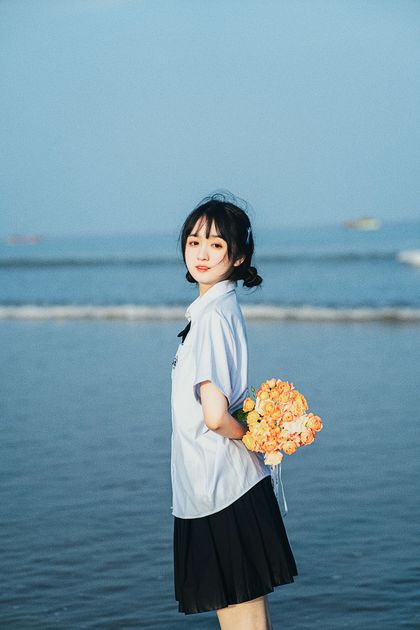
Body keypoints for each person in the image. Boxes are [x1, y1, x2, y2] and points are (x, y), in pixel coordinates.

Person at [171, 192, 298, 629]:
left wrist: (256, 438)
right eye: (194, 242)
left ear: (239, 256)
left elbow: (214, 415)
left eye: (216, 244)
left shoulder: (213, 316)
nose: (201, 254)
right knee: (247, 619)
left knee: (243, 621)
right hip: (214, 486)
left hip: (221, 487)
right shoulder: (216, 309)